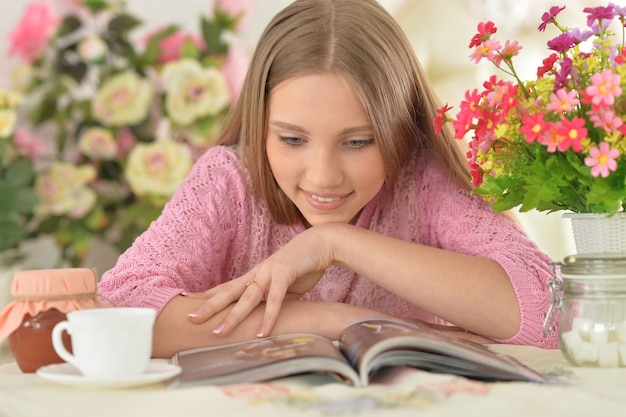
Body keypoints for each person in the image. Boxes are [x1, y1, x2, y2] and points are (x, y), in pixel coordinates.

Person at [98, 0, 558, 358]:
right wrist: (336, 320)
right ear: (261, 124)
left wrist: (336, 242)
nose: (323, 176)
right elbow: (117, 310)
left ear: (400, 129)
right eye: (293, 140)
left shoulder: (422, 181)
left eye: (358, 142)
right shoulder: (229, 181)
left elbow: (547, 314)